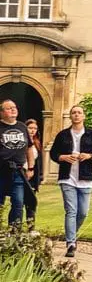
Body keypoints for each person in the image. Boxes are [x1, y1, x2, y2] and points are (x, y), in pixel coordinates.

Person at [49, 104, 92, 257]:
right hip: (67, 178)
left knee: (83, 212)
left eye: (79, 113)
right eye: (74, 113)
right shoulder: (63, 135)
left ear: (83, 116)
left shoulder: (91, 135)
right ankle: (71, 243)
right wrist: (63, 157)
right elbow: (53, 153)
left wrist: (90, 156)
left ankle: (72, 233)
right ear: (71, 116)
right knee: (71, 211)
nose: (76, 115)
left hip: (85, 178)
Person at [0, 98, 31, 229]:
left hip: (18, 171)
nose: (13, 110)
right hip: (1, 170)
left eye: (14, 107)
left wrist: (31, 167)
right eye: (9, 108)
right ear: (1, 112)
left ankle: (14, 234)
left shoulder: (22, 126)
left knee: (18, 203)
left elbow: (29, 147)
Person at [24, 118, 43, 230]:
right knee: (18, 203)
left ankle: (31, 228)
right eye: (30, 128)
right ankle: (15, 229)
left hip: (32, 177)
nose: (33, 131)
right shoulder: (22, 142)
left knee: (31, 203)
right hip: (22, 174)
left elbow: (38, 162)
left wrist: (39, 177)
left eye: (35, 128)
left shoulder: (36, 143)